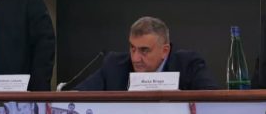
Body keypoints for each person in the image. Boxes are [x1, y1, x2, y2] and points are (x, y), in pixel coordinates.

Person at [75, 16, 219, 91]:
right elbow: (77, 96)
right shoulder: (114, 65)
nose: (135, 58)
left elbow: (213, 101)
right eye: (132, 48)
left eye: (144, 50)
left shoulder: (189, 64)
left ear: (165, 51)